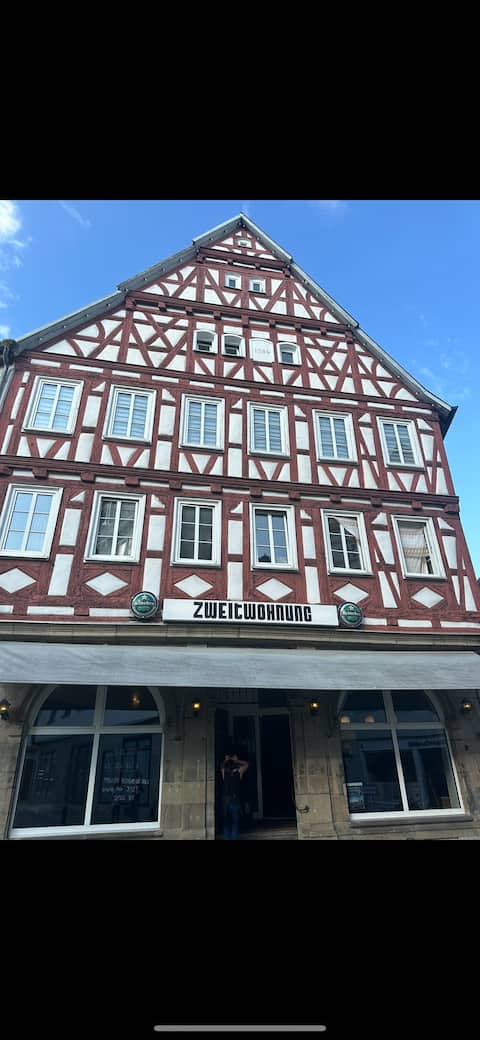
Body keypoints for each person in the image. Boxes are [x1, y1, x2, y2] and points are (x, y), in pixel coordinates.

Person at [220, 751, 249, 841]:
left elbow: (221, 765)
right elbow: (246, 764)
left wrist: (227, 759)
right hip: (234, 800)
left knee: (226, 821)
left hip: (226, 800)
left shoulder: (225, 773)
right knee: (234, 822)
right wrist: (236, 760)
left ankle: (227, 838)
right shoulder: (239, 772)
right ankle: (233, 838)